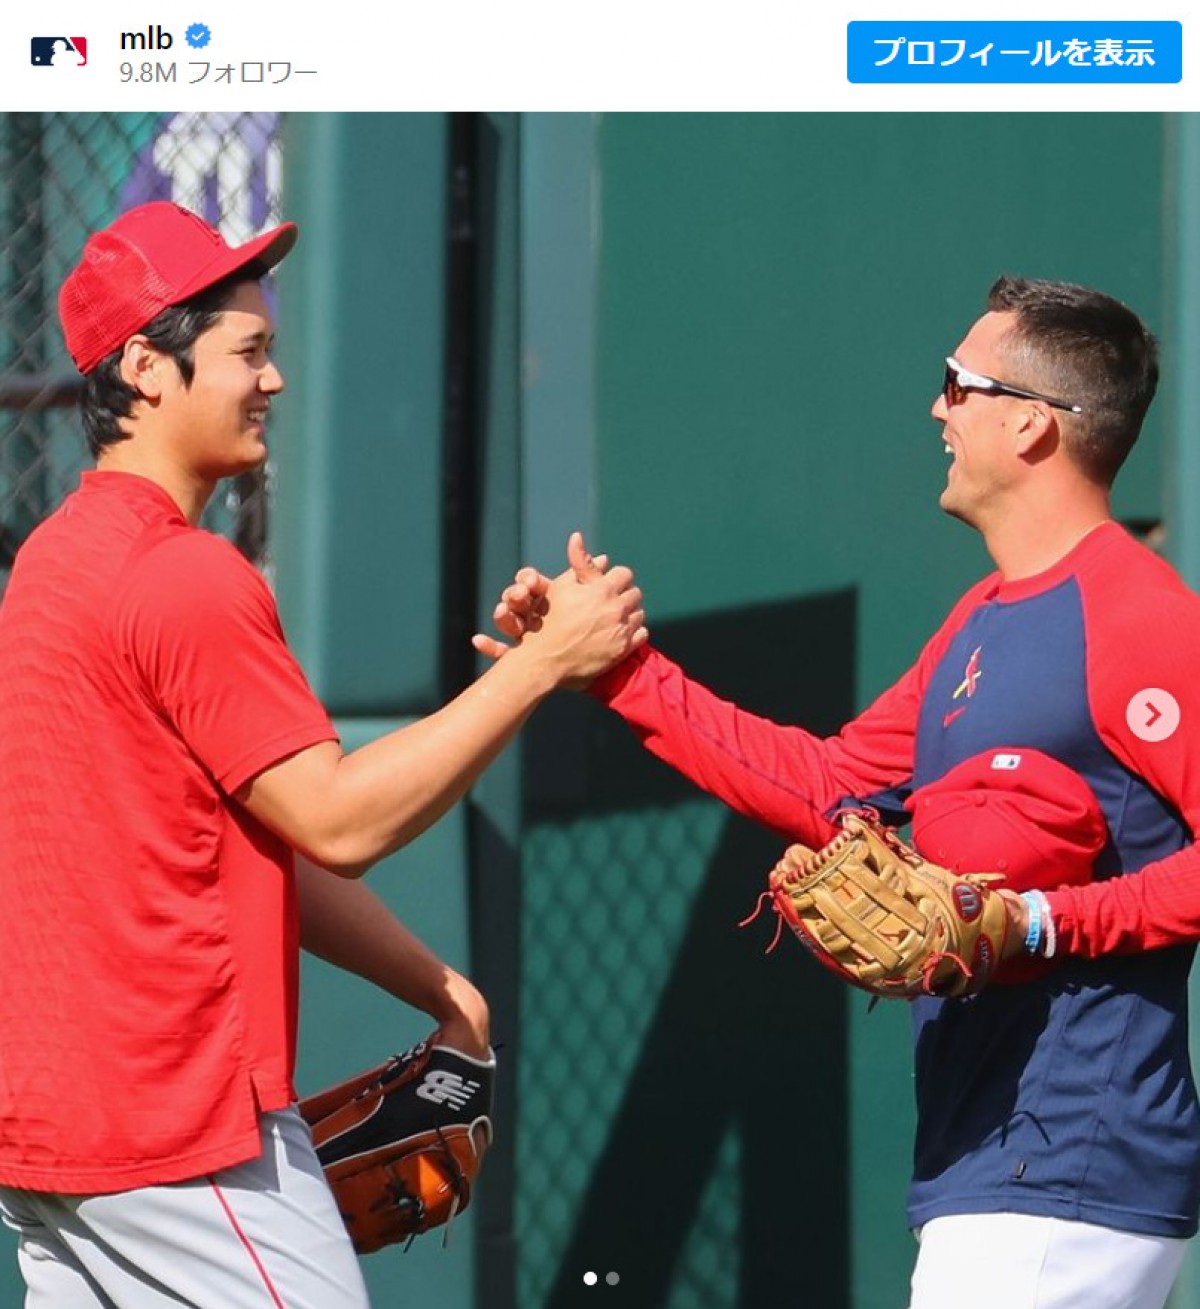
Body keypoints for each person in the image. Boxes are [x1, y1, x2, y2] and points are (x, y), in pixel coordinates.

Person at [478, 277, 1200, 1309]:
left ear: (1033, 425)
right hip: (987, 1152)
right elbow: (826, 784)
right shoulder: (984, 618)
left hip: (1076, 1153)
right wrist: (620, 674)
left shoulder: (1138, 616)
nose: (936, 409)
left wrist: (1042, 921)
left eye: (959, 384)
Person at [0, 201, 646, 1309]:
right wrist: (538, 669)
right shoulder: (183, 576)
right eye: (248, 353)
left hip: (50, 1135)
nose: (274, 381)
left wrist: (443, 990)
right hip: (180, 1130)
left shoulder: (50, 565)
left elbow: (246, 851)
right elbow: (342, 818)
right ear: (149, 369)